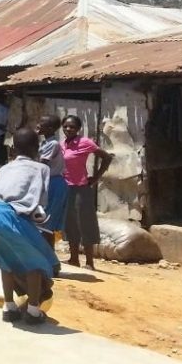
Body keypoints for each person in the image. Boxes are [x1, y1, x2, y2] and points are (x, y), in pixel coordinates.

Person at [0, 127, 59, 326]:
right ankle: (33, 311)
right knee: (36, 260)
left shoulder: (5, 168)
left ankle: (9, 307)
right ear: (37, 148)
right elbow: (39, 202)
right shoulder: (41, 169)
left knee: (5, 259)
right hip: (12, 215)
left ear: (14, 148)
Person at [61, 115, 114, 270]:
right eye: (65, 126)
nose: (68, 129)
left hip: (81, 188)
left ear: (78, 129)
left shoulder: (85, 143)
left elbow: (107, 158)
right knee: (70, 224)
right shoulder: (62, 144)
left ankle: (90, 262)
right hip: (66, 188)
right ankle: (74, 258)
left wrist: (96, 177)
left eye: (72, 127)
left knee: (85, 224)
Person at [36, 115, 69, 253]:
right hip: (49, 183)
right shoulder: (45, 143)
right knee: (43, 223)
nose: (38, 125)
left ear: (50, 128)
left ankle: (49, 259)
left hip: (54, 184)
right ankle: (49, 258)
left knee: (46, 223)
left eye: (41, 123)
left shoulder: (52, 144)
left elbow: (41, 164)